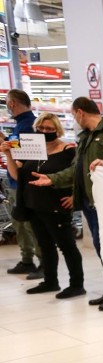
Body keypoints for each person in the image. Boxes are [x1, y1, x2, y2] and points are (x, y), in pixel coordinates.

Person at [30, 96, 103, 311]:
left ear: (80, 112)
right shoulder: (85, 137)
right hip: (90, 202)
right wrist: (53, 179)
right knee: (101, 247)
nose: (74, 119)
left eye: (73, 115)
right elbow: (76, 169)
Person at [1, 113, 83, 298]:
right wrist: (8, 154)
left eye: (49, 128)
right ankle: (50, 281)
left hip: (57, 204)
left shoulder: (68, 149)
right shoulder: (30, 149)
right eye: (41, 128)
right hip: (34, 204)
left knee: (66, 245)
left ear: (57, 129)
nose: (45, 131)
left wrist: (73, 196)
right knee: (45, 245)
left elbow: (76, 175)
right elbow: (17, 176)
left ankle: (77, 284)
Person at [3, 89, 42, 279]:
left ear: (11, 104)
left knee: (29, 225)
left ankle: (43, 262)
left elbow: (24, 160)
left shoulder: (26, 126)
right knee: (21, 224)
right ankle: (27, 259)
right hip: (19, 182)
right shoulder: (23, 125)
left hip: (22, 184)